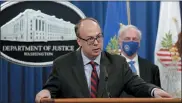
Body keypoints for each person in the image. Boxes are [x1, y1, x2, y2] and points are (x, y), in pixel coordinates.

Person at [35, 18, 172, 103]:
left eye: (99, 37)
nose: (96, 43)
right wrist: (45, 93)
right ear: (79, 41)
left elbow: (137, 85)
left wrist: (154, 91)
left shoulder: (117, 63)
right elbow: (50, 89)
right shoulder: (63, 64)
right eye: (90, 39)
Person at [118, 25, 161, 97]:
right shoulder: (110, 67)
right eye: (127, 39)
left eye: (134, 39)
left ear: (139, 43)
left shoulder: (152, 68)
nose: (131, 41)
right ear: (120, 42)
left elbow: (156, 94)